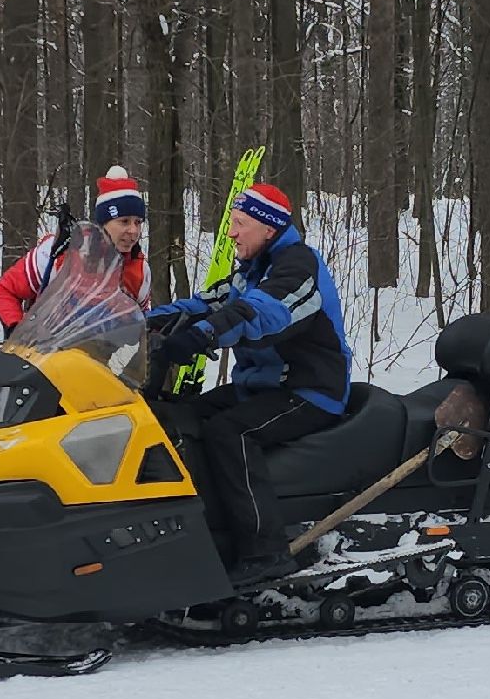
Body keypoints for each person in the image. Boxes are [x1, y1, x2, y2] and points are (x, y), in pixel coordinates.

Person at [149, 182, 352, 586]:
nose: (231, 233)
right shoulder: (252, 271)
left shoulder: (297, 268)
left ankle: (265, 552)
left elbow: (265, 311)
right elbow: (208, 302)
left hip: (308, 390)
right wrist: (143, 323)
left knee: (230, 432)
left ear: (268, 228)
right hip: (263, 385)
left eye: (240, 224)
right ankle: (207, 527)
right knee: (178, 417)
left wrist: (207, 334)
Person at [0, 166, 151, 336]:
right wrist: (15, 329)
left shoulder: (140, 271)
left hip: (100, 360)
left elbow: (141, 320)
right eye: (124, 221)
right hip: (44, 355)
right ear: (103, 223)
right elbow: (6, 290)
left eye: (138, 222)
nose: (133, 231)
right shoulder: (60, 253)